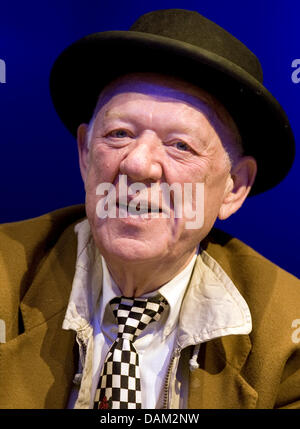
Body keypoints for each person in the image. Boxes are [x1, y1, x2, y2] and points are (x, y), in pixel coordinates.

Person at [0, 9, 299, 410]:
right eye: (119, 134)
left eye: (180, 146)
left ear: (234, 187)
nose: (137, 164)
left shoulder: (286, 335)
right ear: (86, 154)